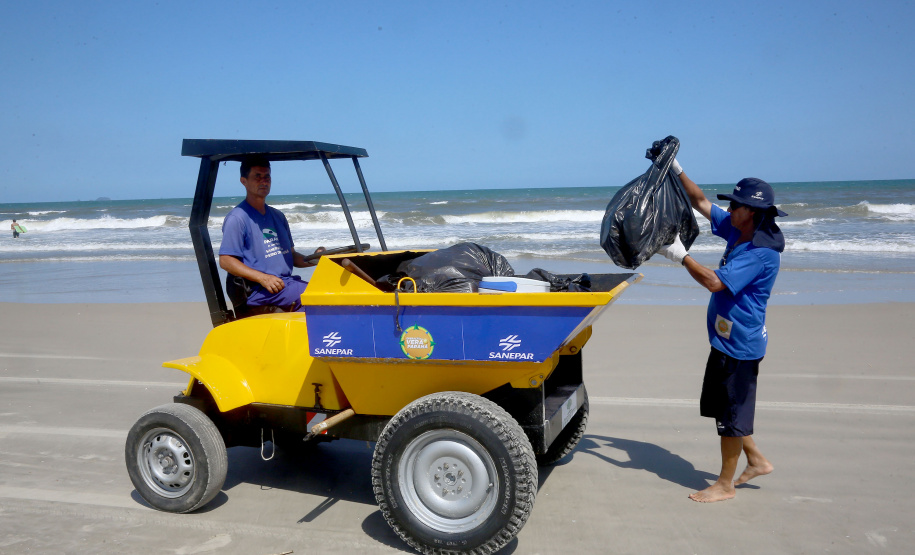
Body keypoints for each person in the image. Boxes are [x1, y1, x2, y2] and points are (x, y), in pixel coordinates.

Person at [656, 157, 787, 503]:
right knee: (725, 409)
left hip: (740, 346)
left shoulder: (759, 252)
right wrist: (676, 168)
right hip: (725, 339)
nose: (729, 208)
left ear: (753, 211)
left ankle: (725, 485)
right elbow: (700, 202)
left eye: (736, 205)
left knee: (730, 418)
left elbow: (715, 282)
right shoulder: (739, 227)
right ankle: (756, 460)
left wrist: (680, 257)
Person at [219, 156, 324, 312]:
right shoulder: (238, 218)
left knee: (327, 292)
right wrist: (263, 278)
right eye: (258, 176)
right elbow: (226, 260)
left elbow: (291, 255)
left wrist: (313, 260)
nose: (264, 181)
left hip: (284, 284)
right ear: (244, 181)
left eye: (267, 176)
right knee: (318, 297)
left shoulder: (278, 216)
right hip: (258, 290)